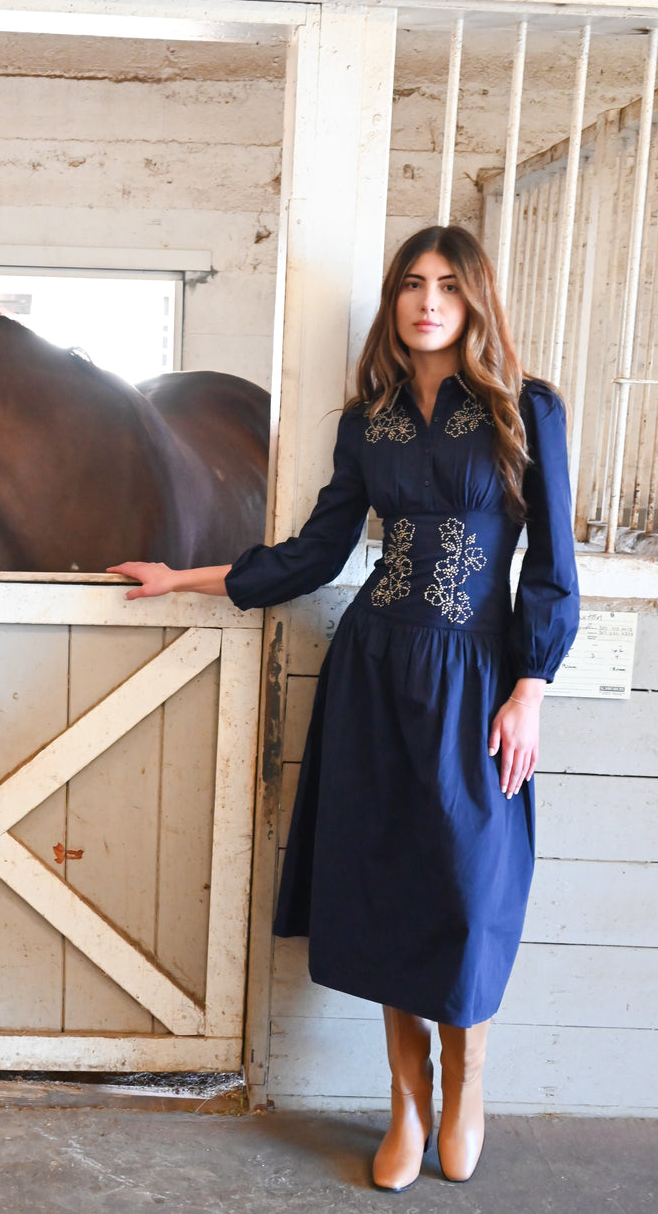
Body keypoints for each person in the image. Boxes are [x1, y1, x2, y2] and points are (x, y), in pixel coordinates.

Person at [108, 225, 579, 1192]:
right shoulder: (368, 423)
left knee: (465, 888)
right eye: (412, 282)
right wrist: (185, 577)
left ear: (477, 298)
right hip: (371, 672)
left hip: (477, 679)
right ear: (394, 302)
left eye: (449, 284)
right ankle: (405, 1101)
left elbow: (554, 568)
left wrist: (529, 689)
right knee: (385, 887)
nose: (428, 299)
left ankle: (465, 1085)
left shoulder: (528, 410)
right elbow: (317, 552)